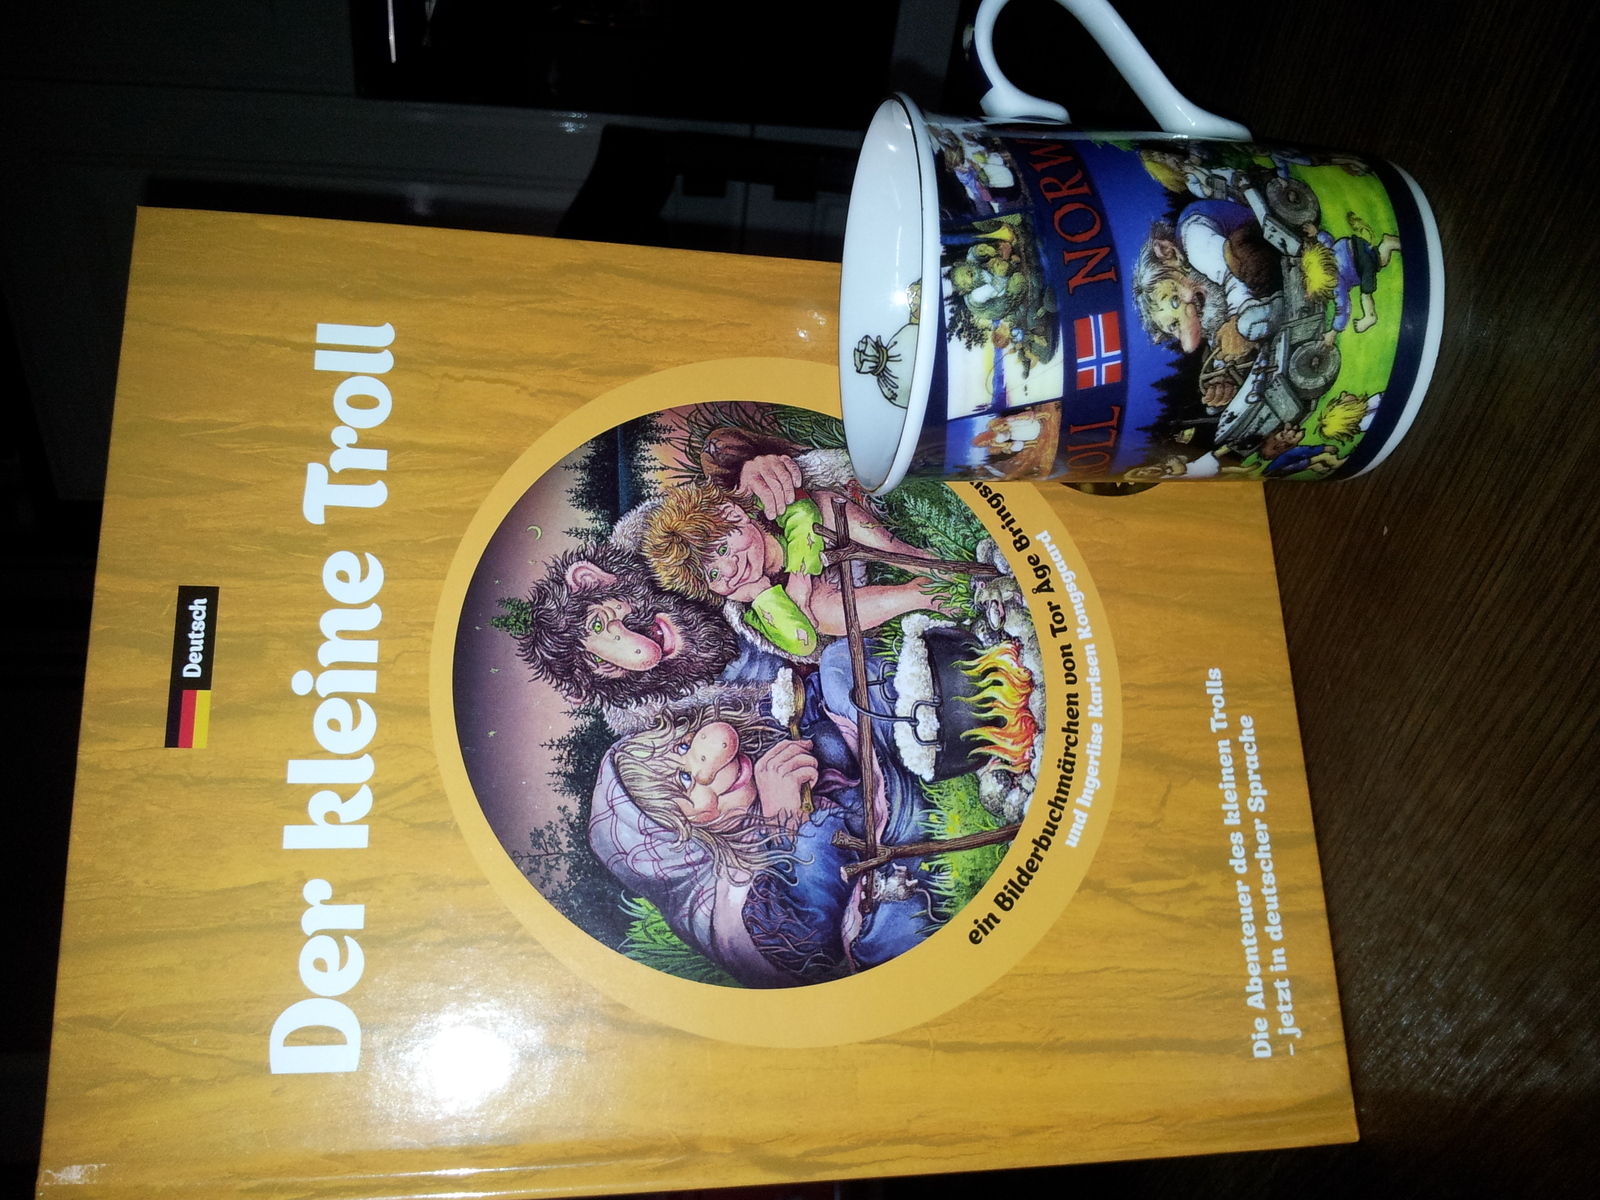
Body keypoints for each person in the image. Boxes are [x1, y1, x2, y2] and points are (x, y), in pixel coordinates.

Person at [641, 481, 950, 659]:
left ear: (733, 514)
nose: (730, 568)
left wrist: (801, 577)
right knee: (823, 614)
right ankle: (920, 594)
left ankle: (910, 558)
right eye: (714, 575)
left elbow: (802, 512)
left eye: (722, 549)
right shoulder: (753, 612)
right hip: (837, 587)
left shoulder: (766, 510)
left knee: (825, 508)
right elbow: (803, 642)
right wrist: (764, 595)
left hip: (836, 536)